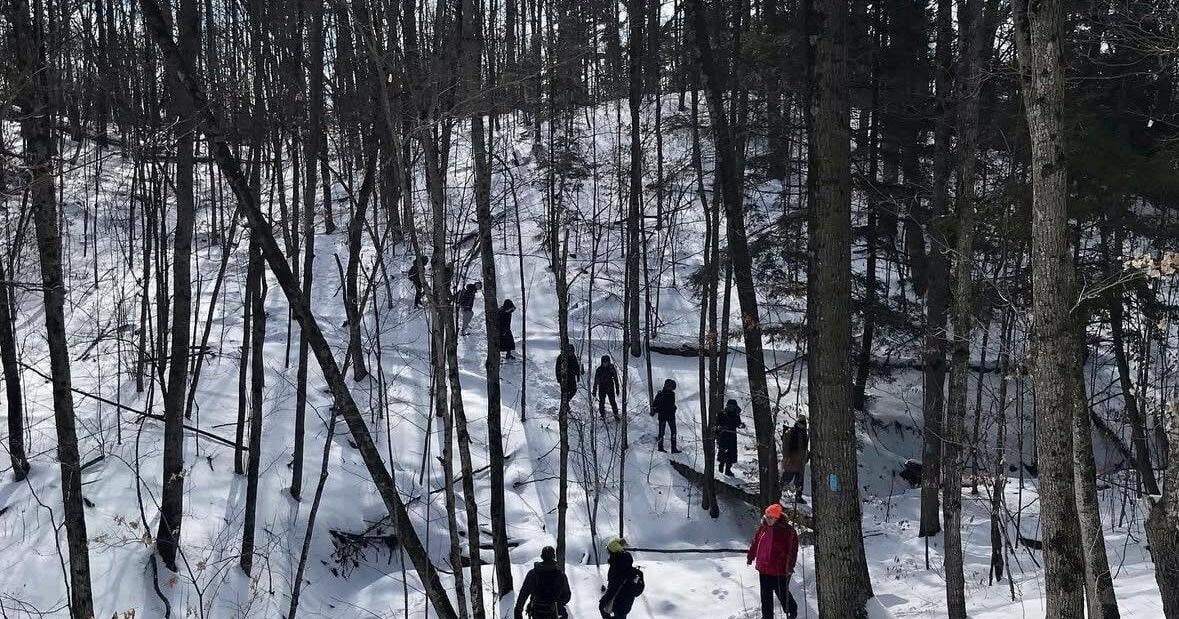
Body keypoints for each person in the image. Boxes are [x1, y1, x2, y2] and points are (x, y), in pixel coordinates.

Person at [747, 503, 800, 619]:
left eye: (771, 517)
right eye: (767, 517)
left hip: (779, 568)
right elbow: (755, 542)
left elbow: (793, 550)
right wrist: (750, 556)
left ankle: (792, 610)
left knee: (782, 593)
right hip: (764, 568)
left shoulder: (788, 531)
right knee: (765, 596)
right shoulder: (763, 528)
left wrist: (790, 564)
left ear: (777, 517)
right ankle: (767, 616)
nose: (768, 519)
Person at [515, 546, 571, 619]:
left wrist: (518, 611)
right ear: (553, 556)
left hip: (537, 613)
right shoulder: (560, 574)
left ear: (542, 556)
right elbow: (567, 596)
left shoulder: (533, 573)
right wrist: (558, 602)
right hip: (555, 613)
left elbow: (523, 594)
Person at [599, 537, 642, 619]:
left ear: (613, 552)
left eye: (609, 551)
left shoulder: (617, 567)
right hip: (625, 605)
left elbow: (613, 588)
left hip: (618, 604)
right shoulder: (626, 565)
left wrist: (603, 603)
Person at [780, 416, 809, 504]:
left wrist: (806, 456)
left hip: (800, 461)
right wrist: (787, 458)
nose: (803, 425)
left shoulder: (804, 434)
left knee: (800, 480)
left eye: (804, 423)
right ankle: (777, 491)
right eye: (802, 422)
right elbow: (785, 447)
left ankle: (798, 496)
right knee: (787, 478)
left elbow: (804, 448)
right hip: (791, 460)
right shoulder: (791, 432)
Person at [715, 398, 746, 476]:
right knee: (723, 453)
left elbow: (737, 423)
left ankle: (728, 470)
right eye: (729, 406)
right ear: (727, 406)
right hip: (723, 436)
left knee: (731, 454)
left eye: (732, 406)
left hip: (732, 437)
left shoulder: (736, 414)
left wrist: (741, 425)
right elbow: (716, 425)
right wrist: (720, 428)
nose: (731, 408)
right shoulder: (722, 414)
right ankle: (721, 466)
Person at [651, 379, 680, 453]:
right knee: (661, 433)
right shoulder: (660, 394)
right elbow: (654, 406)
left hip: (670, 416)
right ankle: (660, 448)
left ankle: (673, 448)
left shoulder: (672, 394)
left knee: (673, 432)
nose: (672, 389)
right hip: (663, 416)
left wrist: (674, 408)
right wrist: (660, 409)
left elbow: (671, 404)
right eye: (670, 387)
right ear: (667, 386)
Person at [593, 355, 621, 420]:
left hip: (610, 387)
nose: (605, 363)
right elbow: (596, 380)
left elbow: (616, 378)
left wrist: (617, 388)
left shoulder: (611, 369)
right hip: (602, 387)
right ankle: (602, 415)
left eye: (607, 362)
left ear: (609, 362)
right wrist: (594, 390)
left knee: (612, 401)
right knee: (601, 402)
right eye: (604, 362)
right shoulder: (599, 370)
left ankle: (616, 414)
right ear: (602, 362)